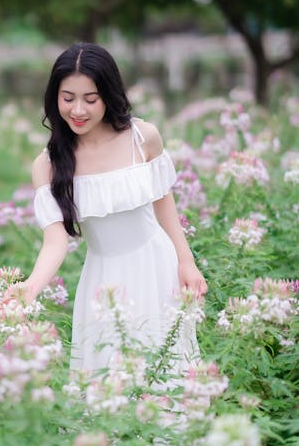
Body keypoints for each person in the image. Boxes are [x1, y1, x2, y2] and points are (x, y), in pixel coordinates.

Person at [14, 42, 207, 374]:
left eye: (90, 99)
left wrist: (186, 261)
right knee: (107, 377)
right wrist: (29, 288)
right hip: (102, 279)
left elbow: (164, 202)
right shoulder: (48, 165)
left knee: (165, 370)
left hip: (157, 268)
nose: (78, 110)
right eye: (67, 97)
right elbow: (55, 241)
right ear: (53, 97)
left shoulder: (142, 138)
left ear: (108, 94)